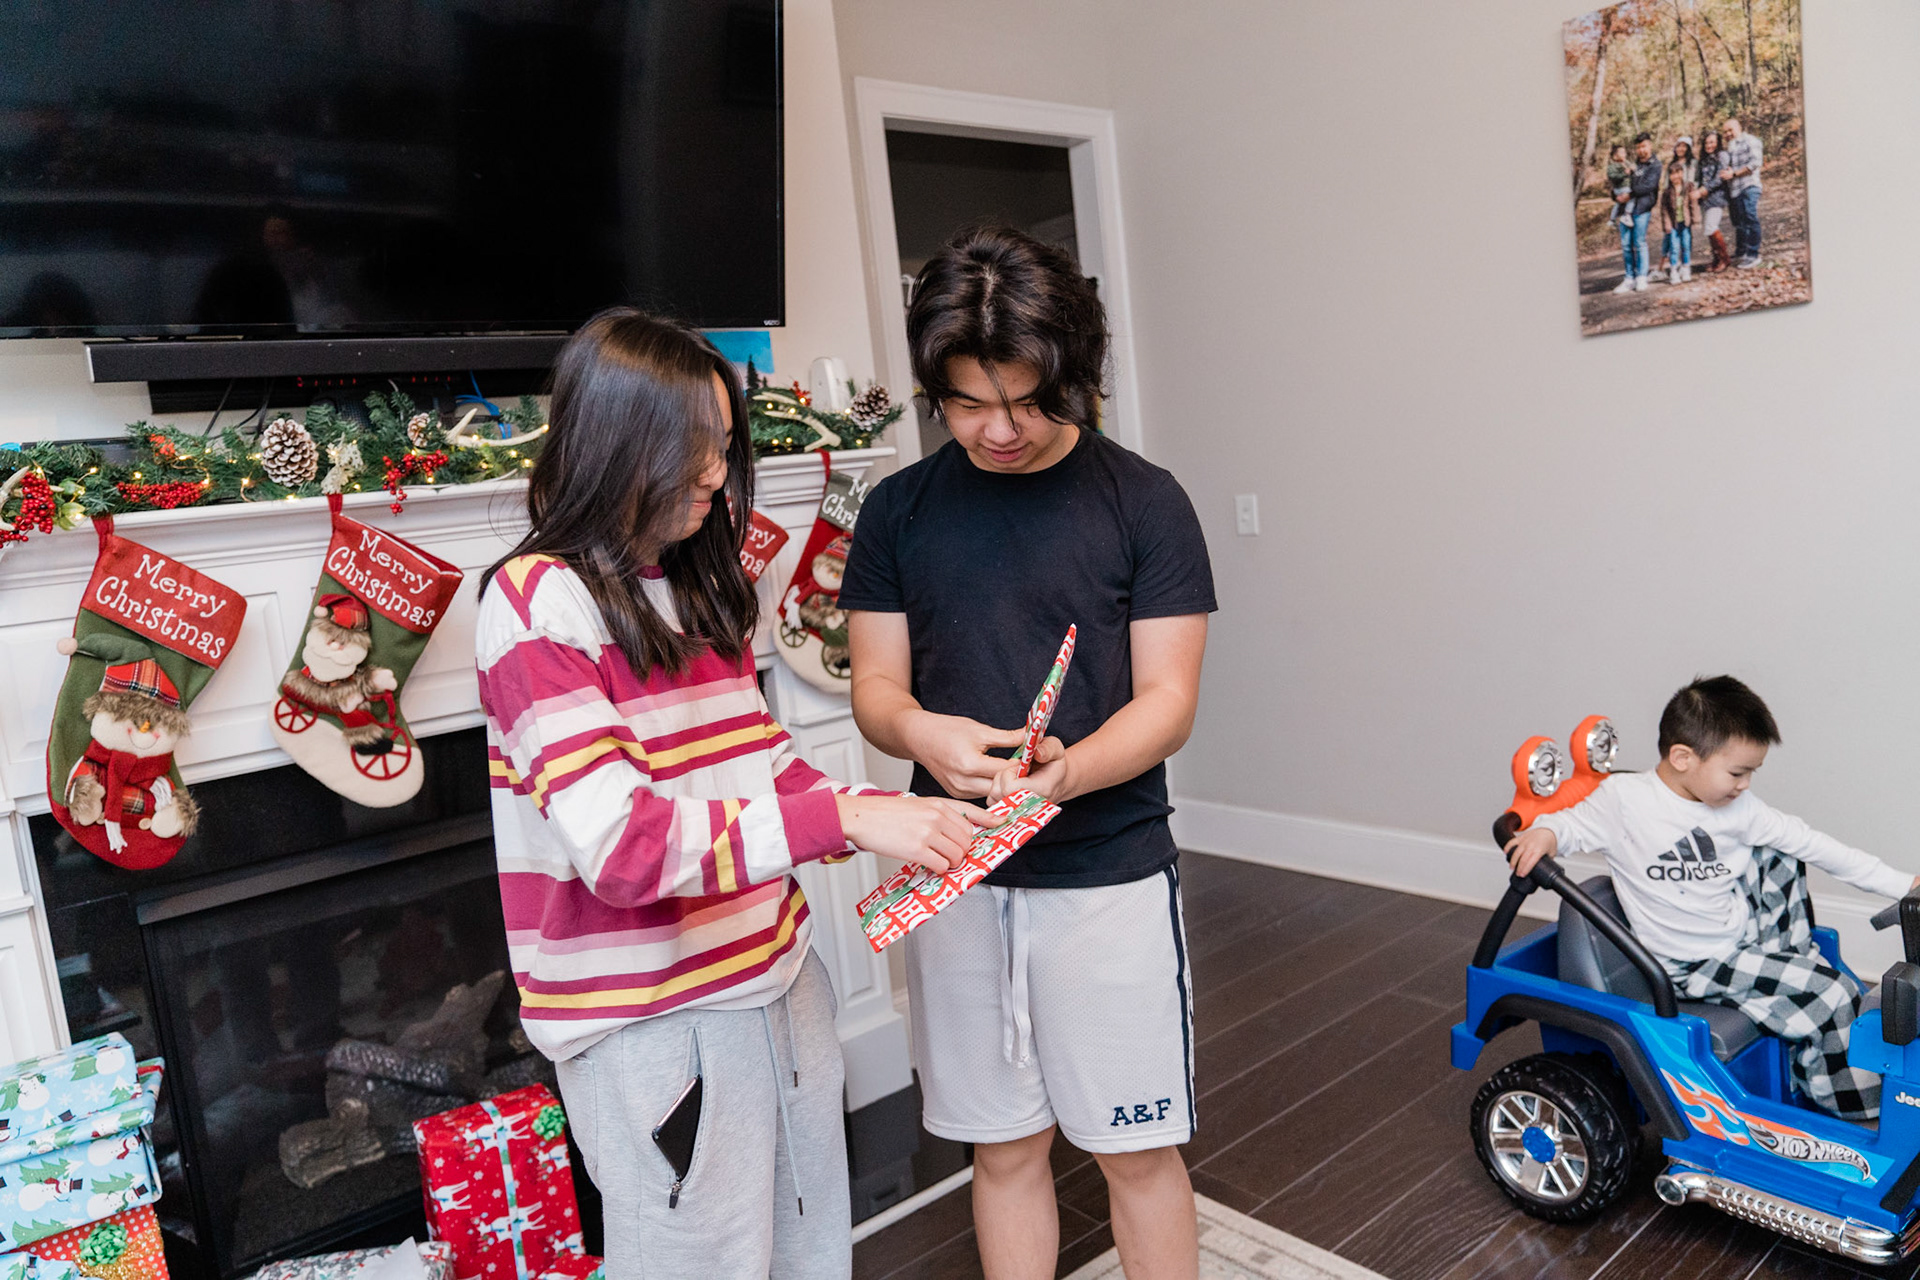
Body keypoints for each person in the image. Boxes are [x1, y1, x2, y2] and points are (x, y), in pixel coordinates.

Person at [474, 309, 990, 1279]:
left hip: (782, 987)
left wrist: (895, 818)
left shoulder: (693, 586)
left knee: (812, 1256)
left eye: (723, 442)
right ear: (619, 439)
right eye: (696, 446)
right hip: (659, 1031)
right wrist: (842, 816)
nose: (717, 472)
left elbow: (762, 762)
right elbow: (622, 847)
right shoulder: (538, 604)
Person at [841, 224, 1215, 1280]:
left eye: (1026, 400)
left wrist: (1067, 771)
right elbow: (875, 689)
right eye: (968, 403)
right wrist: (923, 733)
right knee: (1001, 1149)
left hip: (1107, 875)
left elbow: (1169, 701)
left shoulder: (1144, 501)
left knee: (1135, 1150)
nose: (999, 429)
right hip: (955, 871)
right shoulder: (898, 510)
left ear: (1073, 373)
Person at [1504, 676, 1918, 1121]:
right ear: (1683, 757)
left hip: (1739, 936)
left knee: (1781, 846)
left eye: (1751, 773)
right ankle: (1858, 1111)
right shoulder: (1624, 801)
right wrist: (1547, 833)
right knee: (1835, 994)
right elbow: (1571, 824)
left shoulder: (1739, 809)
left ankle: (1792, 966)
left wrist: (1904, 884)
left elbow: (1816, 845)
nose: (1745, 785)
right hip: (1687, 964)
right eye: (1737, 773)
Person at [1612, 133, 1662, 294]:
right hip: (1625, 210)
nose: (1641, 150)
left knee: (1639, 243)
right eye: (1638, 147)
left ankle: (1641, 276)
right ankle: (1629, 278)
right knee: (1626, 245)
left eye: (1644, 146)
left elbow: (1648, 186)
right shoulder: (1632, 165)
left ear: (1650, 145)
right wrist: (1616, 196)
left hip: (1642, 209)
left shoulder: (1655, 165)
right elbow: (1619, 183)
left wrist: (1630, 194)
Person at [1721, 116, 1765, 268]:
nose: (1728, 134)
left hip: (1749, 186)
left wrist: (1734, 173)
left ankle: (1753, 255)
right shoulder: (1730, 147)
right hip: (1735, 189)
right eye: (1725, 132)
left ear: (1739, 128)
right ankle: (1743, 252)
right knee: (1740, 223)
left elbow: (1755, 163)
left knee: (1750, 218)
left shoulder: (1750, 141)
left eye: (1730, 130)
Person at [1695, 129, 1734, 272]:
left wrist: (1705, 189)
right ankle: (1716, 258)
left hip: (1717, 197)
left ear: (1717, 142)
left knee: (1712, 226)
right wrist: (1698, 191)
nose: (1709, 145)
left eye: (1712, 142)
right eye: (1706, 143)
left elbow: (1720, 177)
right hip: (1704, 199)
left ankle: (1725, 259)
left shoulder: (1722, 156)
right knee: (1708, 229)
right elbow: (1700, 178)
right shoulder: (1703, 159)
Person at [1658, 157, 1699, 284]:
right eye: (1672, 174)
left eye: (1678, 173)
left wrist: (1695, 220)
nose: (1675, 176)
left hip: (1685, 223)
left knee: (1686, 245)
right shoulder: (1667, 192)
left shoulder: (1688, 187)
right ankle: (1674, 270)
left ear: (1682, 173)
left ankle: (1686, 268)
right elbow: (1664, 210)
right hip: (1673, 225)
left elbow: (1693, 204)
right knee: (1674, 247)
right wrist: (1667, 225)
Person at [1604, 143, 1632, 230]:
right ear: (1615, 155)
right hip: (1620, 188)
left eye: (1625, 152)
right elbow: (1613, 177)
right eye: (1622, 152)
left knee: (1618, 204)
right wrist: (1625, 174)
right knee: (1632, 197)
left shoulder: (1626, 162)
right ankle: (1627, 214)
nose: (1624, 154)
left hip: (1626, 186)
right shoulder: (1612, 166)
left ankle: (1612, 219)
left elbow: (1633, 168)